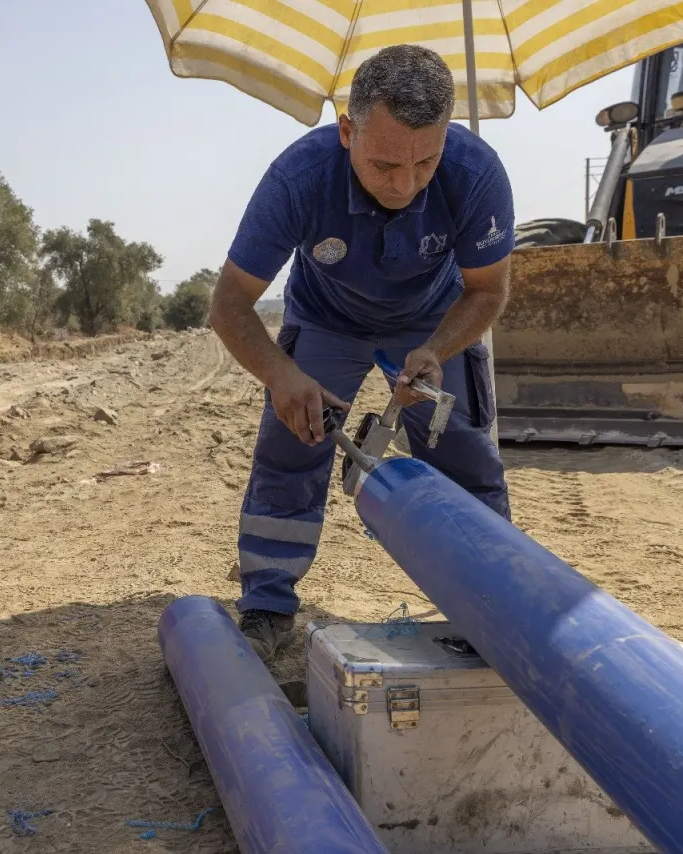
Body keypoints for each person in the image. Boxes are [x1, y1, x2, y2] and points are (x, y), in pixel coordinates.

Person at [210, 45, 514, 663]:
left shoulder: (477, 174)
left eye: (425, 162)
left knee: (465, 457)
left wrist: (435, 348)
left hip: (436, 321)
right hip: (327, 318)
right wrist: (280, 374)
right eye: (383, 165)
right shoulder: (299, 178)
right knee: (294, 446)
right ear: (346, 131)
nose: (405, 185)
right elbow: (229, 305)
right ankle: (267, 605)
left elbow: (488, 292)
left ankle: (490, 608)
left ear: (447, 136)